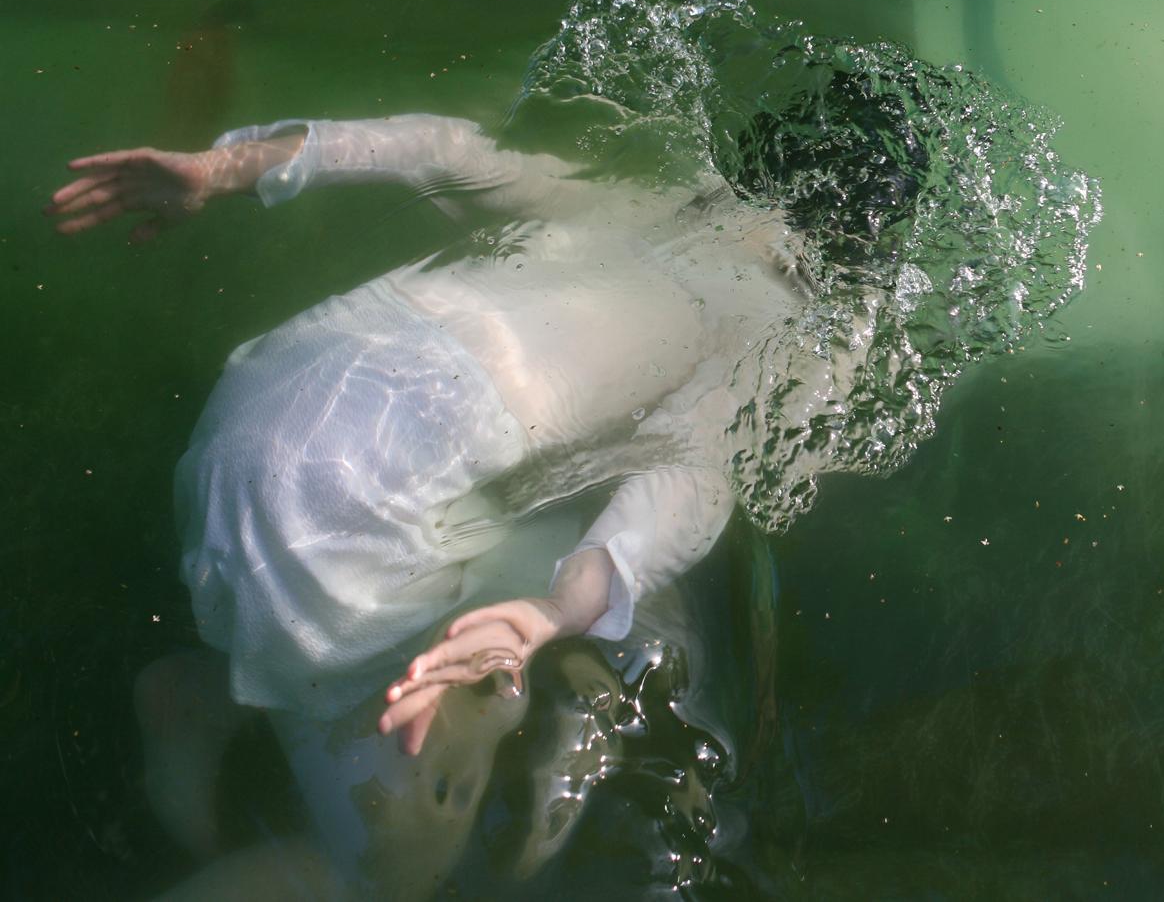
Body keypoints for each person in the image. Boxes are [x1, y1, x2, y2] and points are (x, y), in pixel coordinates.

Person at [44, 103, 883, 897]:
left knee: (498, 550)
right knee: (396, 864)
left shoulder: (644, 196)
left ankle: (217, 694)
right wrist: (555, 611)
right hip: (333, 513)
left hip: (258, 400)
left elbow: (443, 151)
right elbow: (688, 487)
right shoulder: (775, 323)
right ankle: (251, 712)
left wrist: (225, 167)